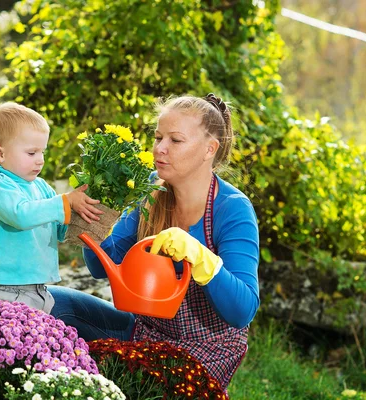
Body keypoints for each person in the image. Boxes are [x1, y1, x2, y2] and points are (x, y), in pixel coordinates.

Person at [48, 94, 260, 389]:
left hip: (204, 356)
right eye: (158, 137)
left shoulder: (232, 208)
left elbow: (243, 311)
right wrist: (96, 216)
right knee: (49, 303)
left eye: (175, 140)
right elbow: (102, 266)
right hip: (145, 334)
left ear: (209, 149)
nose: (160, 148)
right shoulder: (152, 189)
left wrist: (202, 259)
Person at [0, 102, 103, 313]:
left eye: (42, 152)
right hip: (4, 289)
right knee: (5, 344)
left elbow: (57, 227)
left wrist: (82, 218)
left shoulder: (40, 187)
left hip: (37, 289)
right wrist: (64, 202)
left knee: (31, 345)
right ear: (0, 154)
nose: (40, 160)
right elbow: (22, 215)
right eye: (31, 153)